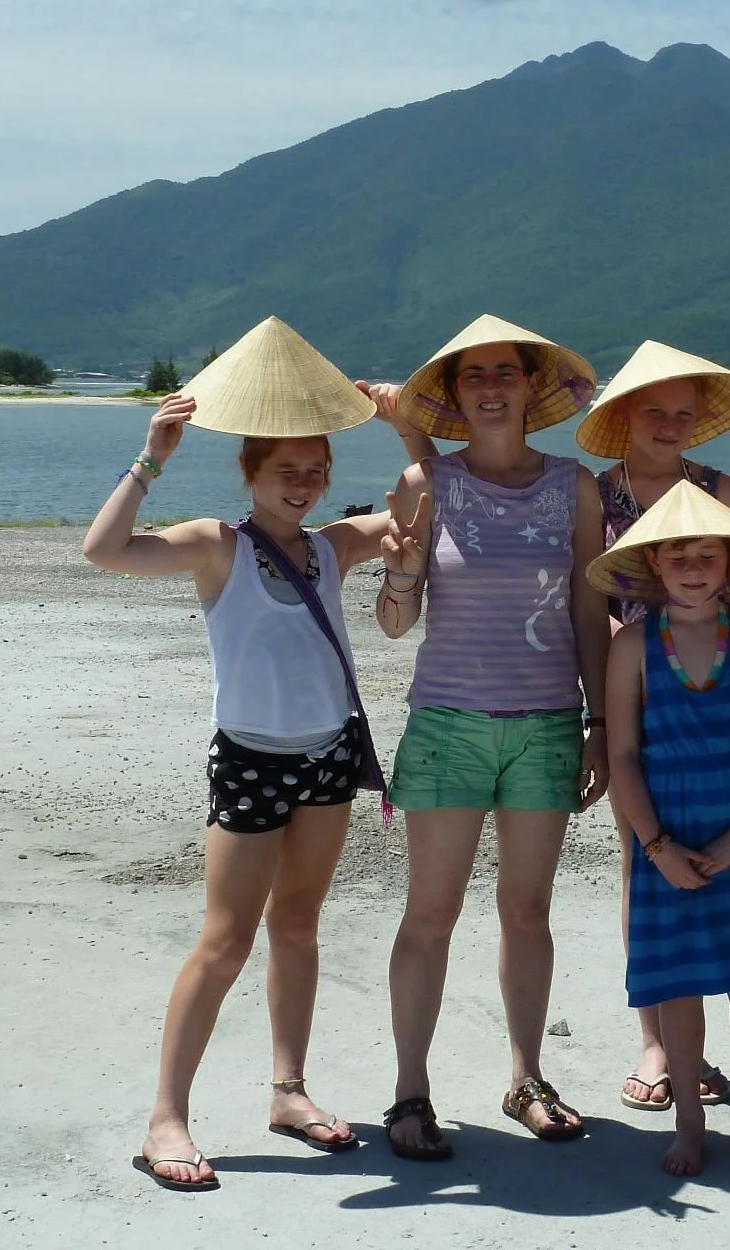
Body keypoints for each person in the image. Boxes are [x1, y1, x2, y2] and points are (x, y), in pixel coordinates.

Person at [80, 317, 417, 1192]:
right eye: (284, 471)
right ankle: (167, 1116)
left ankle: (288, 1091)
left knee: (298, 926)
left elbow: (427, 506)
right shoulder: (215, 544)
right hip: (252, 761)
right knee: (225, 939)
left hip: (329, 757)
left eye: (315, 470)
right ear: (251, 473)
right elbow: (104, 550)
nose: (302, 484)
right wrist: (152, 455)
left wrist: (404, 427)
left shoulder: (333, 546)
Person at [372, 313, 610, 1159]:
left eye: (505, 372)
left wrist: (600, 722)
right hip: (447, 725)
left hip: (546, 725)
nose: (492, 386)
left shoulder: (574, 486)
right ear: (455, 393)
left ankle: (526, 1076)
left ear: (529, 386)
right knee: (429, 915)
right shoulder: (424, 485)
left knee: (527, 911)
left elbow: (591, 609)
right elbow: (395, 624)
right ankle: (409, 1093)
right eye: (474, 376)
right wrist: (399, 570)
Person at [592, 481, 730, 1177]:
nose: (693, 566)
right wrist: (654, 846)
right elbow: (622, 753)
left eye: (707, 554)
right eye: (678, 555)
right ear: (654, 564)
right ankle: (690, 1125)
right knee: (680, 988)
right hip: (667, 832)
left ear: (729, 562)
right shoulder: (631, 646)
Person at [575, 340, 730, 1112]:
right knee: (640, 863)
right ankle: (657, 1040)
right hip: (633, 693)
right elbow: (589, 606)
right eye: (654, 410)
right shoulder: (594, 493)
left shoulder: (725, 491)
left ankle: (717, 1040)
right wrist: (595, 712)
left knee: (728, 865)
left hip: (717, 690)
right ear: (623, 415)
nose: (670, 425)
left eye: (685, 415)